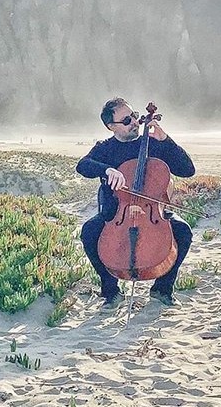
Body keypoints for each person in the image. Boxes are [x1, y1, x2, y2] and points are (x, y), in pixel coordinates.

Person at [76, 97, 195, 309]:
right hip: (116, 213)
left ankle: (163, 288)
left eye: (134, 117)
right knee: (89, 232)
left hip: (153, 213)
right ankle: (111, 290)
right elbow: (83, 165)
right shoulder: (105, 148)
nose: (134, 122)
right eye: (126, 120)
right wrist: (107, 169)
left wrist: (165, 139)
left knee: (183, 231)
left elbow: (187, 170)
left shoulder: (152, 144)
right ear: (111, 126)